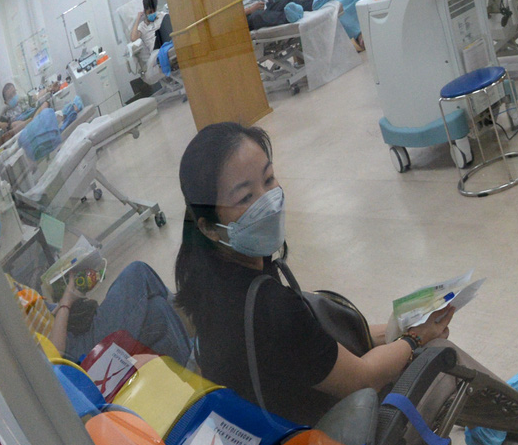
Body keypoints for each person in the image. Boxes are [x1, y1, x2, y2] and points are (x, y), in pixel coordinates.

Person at [172, 122, 455, 424]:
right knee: (442, 351)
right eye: (245, 198)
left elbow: (307, 345)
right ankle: (504, 420)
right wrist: (415, 338)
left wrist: (397, 328)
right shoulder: (269, 307)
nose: (268, 202)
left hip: (261, 428)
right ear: (209, 226)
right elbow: (363, 379)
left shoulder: (209, 280)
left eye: (268, 179)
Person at [11, 257, 192, 368]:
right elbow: (54, 355)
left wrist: (68, 297)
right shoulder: (4, 317)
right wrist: (66, 302)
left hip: (72, 333)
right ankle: (197, 330)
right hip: (78, 355)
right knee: (137, 272)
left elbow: (41, 316)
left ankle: (193, 369)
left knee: (157, 311)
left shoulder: (4, 284)